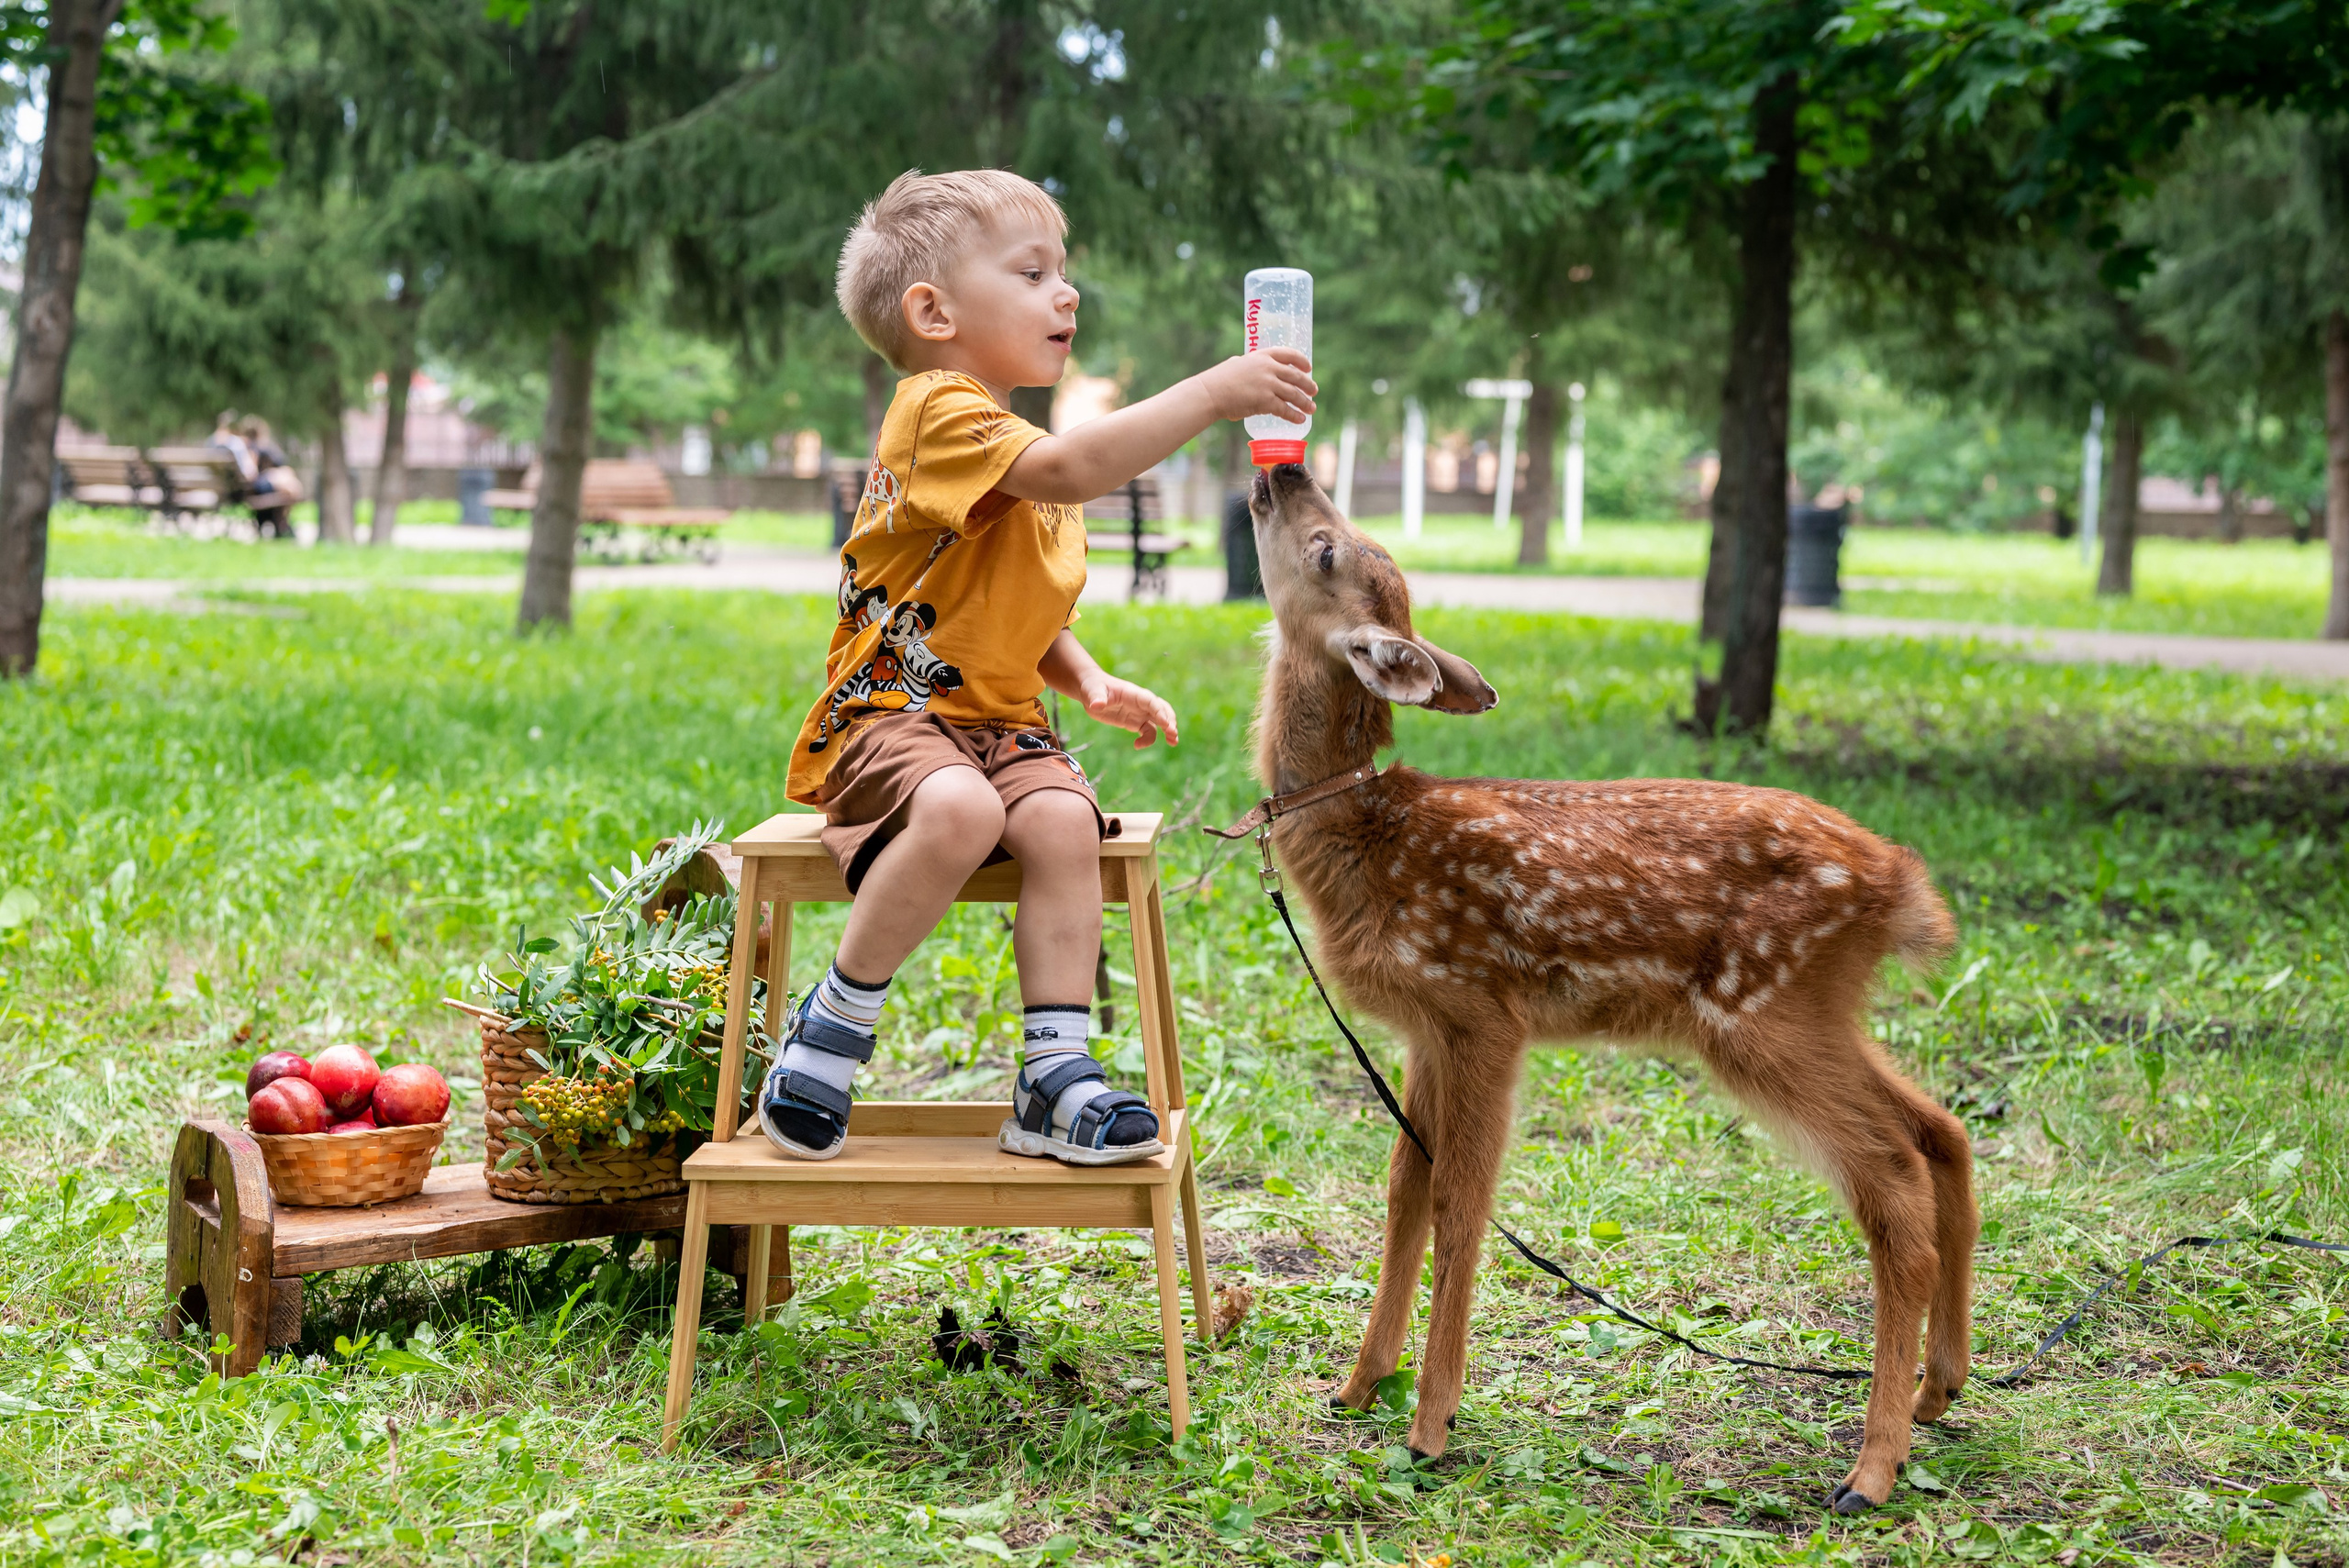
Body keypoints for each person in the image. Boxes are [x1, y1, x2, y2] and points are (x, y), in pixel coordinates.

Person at [765, 169, 1315, 1166]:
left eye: (1064, 272)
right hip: (890, 713)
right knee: (966, 812)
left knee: (1063, 820)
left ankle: (1055, 1072)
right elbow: (1073, 471)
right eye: (1031, 272)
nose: (1066, 293)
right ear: (932, 312)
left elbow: (1005, 601)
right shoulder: (937, 410)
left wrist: (1088, 678)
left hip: (998, 724)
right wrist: (1213, 392)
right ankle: (833, 1022)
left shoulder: (1020, 452)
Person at [239, 417, 298, 539]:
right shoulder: (252, 448)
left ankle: (283, 522)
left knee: (287, 476)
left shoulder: (251, 447)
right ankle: (283, 522)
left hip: (260, 485)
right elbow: (251, 472)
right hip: (257, 486)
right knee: (287, 479)